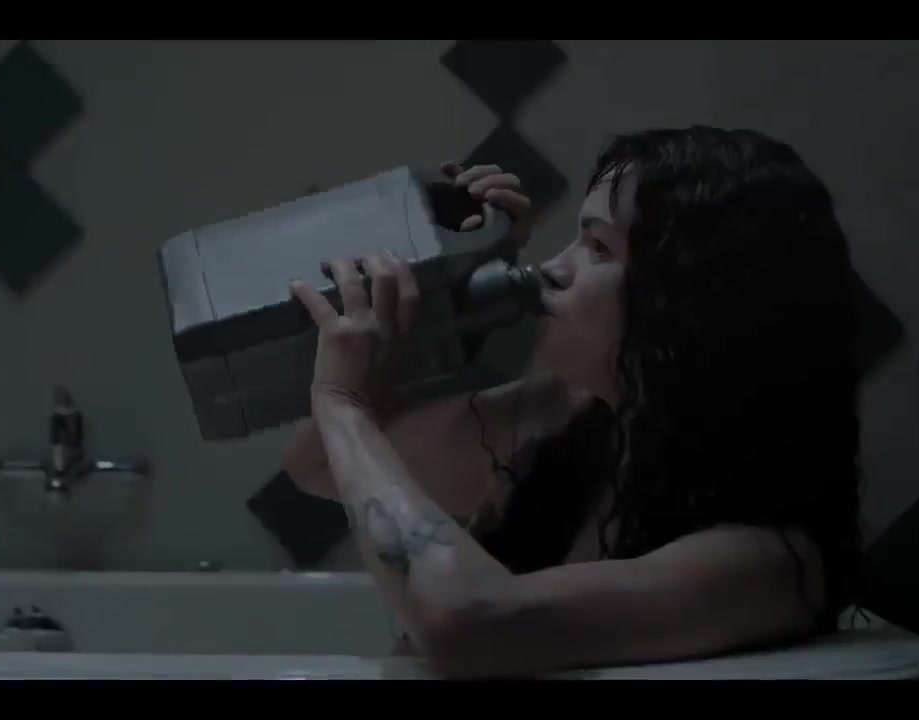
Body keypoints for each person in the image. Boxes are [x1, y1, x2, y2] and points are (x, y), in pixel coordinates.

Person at [282, 126, 863, 679]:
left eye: (599, 248)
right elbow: (317, 465)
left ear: (692, 302)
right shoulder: (558, 424)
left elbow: (465, 623)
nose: (553, 268)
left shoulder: (767, 565)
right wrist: (451, 298)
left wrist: (343, 401)